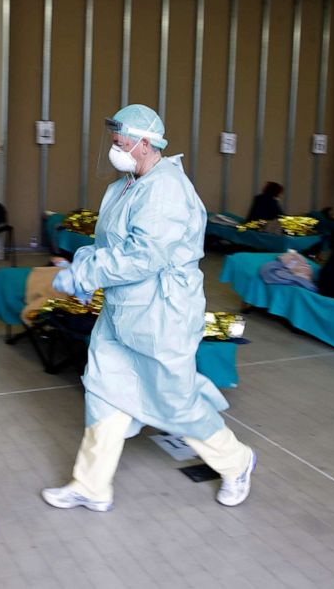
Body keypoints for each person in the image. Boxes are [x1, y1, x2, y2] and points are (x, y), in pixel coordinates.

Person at [42, 104, 256, 513]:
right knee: (104, 391)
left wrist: (87, 276)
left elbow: (143, 256)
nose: (114, 146)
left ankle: (237, 461)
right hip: (122, 309)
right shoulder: (125, 184)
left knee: (175, 402)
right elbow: (109, 245)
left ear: (145, 142)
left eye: (121, 140)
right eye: (113, 138)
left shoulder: (166, 189)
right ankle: (90, 485)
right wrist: (83, 267)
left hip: (161, 312)